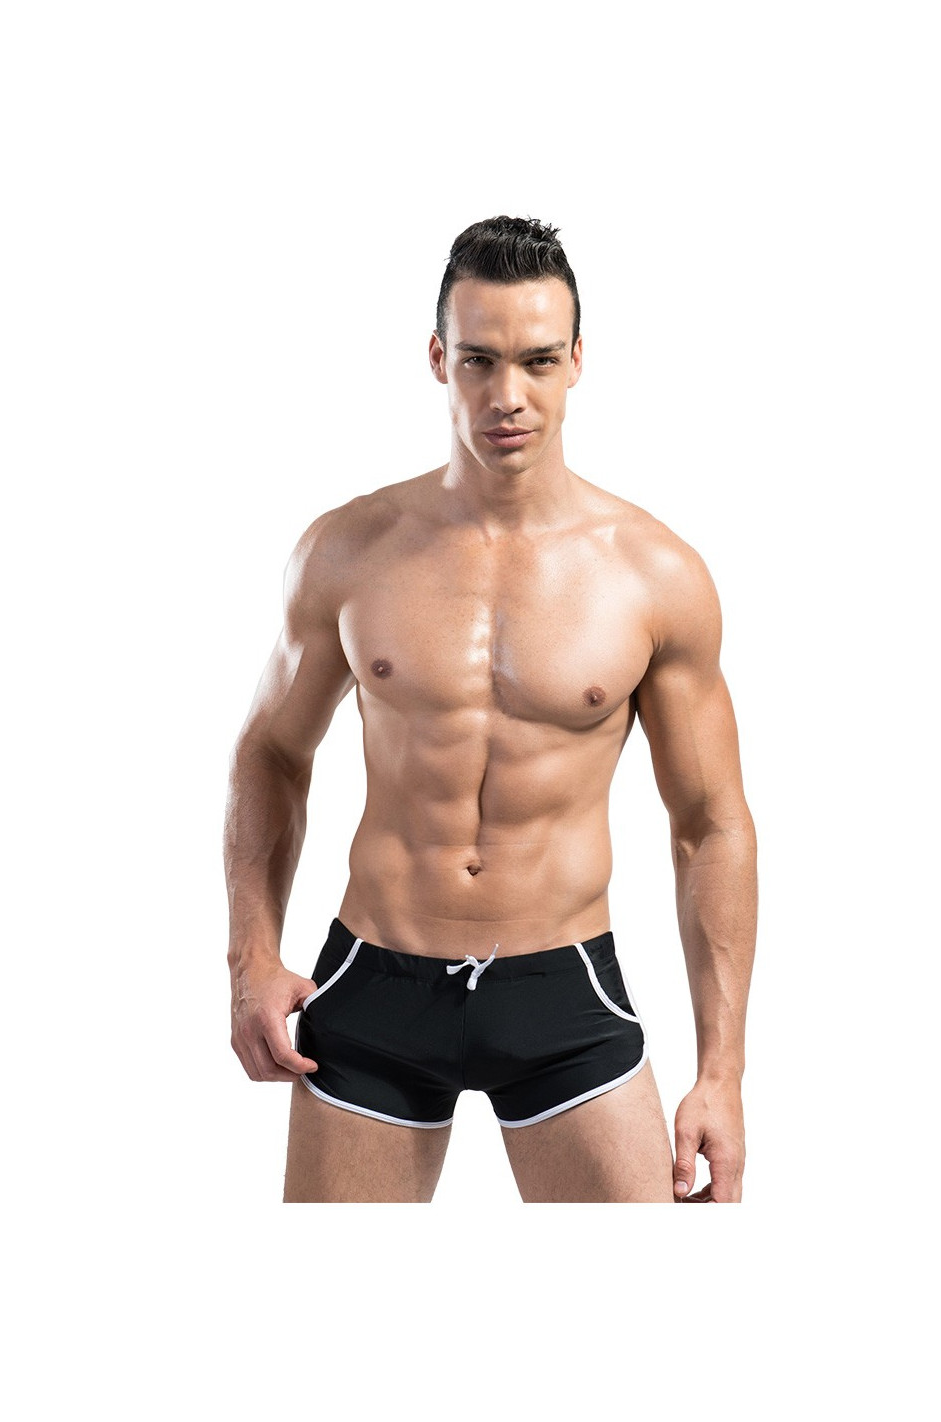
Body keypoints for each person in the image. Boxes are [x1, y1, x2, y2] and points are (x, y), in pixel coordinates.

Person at [224, 216, 758, 1203]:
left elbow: (709, 823)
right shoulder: (348, 550)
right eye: (478, 360)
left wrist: (720, 1075)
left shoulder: (653, 574)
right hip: (374, 983)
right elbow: (270, 754)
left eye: (537, 361)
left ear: (577, 361)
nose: (507, 395)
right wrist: (250, 956)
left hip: (561, 988)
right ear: (439, 358)